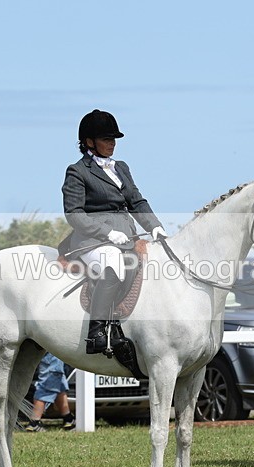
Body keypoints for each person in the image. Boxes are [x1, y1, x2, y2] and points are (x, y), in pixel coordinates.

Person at [62, 109, 167, 355]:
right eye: (107, 139)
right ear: (89, 142)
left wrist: (155, 227)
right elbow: (74, 214)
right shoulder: (77, 171)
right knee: (113, 265)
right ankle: (97, 333)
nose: (112, 144)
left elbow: (136, 201)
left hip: (126, 238)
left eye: (114, 139)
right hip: (92, 240)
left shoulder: (121, 167)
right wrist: (107, 233)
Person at [25, 353, 76, 432]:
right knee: (50, 378)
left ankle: (68, 419)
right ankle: (34, 422)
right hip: (52, 349)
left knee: (59, 381)